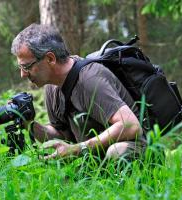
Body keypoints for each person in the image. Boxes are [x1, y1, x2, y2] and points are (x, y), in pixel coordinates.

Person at [11, 23, 146, 161]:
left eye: (27, 66)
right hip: (95, 157)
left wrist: (77, 149)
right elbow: (62, 137)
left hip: (136, 149)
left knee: (116, 152)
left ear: (50, 59)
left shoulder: (89, 80)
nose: (23, 74)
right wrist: (29, 124)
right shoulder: (52, 86)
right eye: (20, 67)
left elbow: (130, 126)